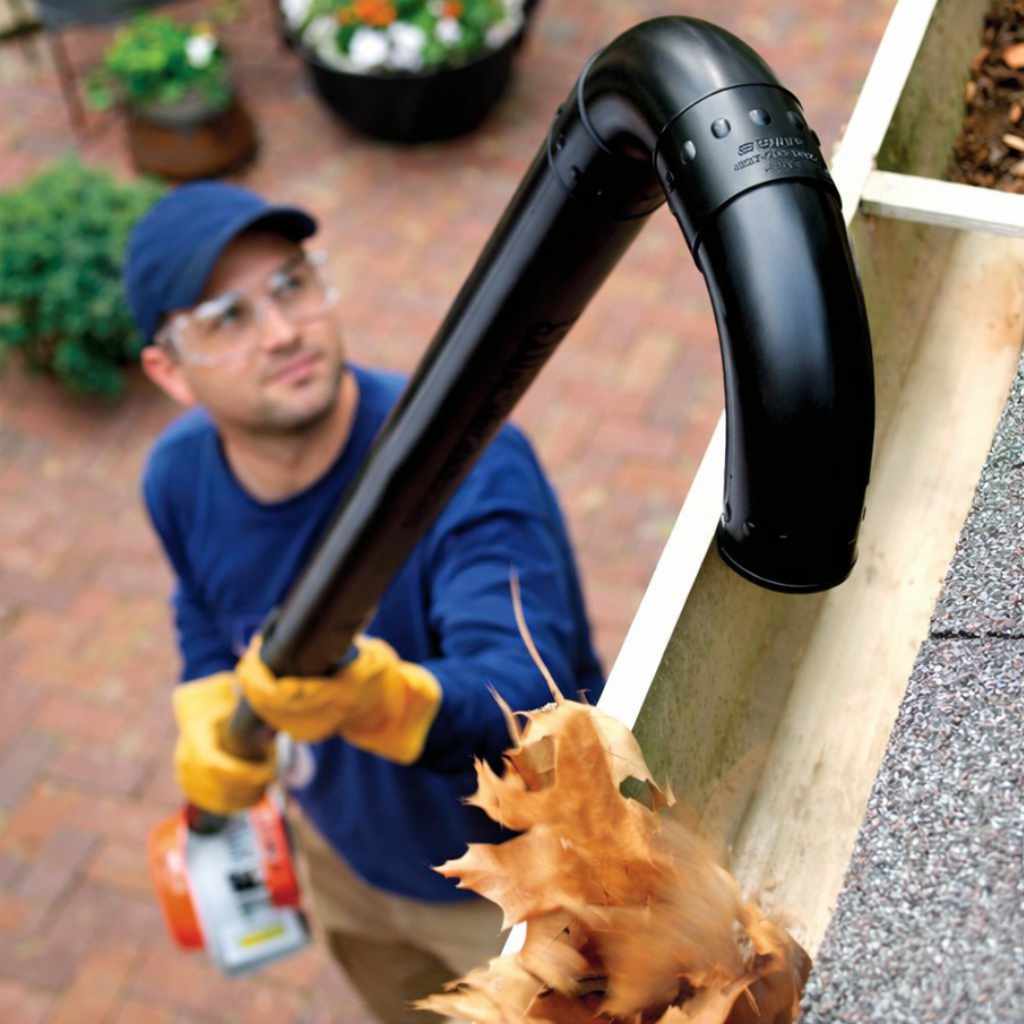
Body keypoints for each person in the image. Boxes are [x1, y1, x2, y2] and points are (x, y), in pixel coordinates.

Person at [125, 182, 605, 1023]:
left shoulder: (468, 461)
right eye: (228, 318)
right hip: (342, 865)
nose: (283, 332)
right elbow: (205, 603)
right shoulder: (179, 476)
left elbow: (529, 708)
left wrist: (382, 701)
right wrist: (206, 695)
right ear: (169, 371)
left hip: (512, 892)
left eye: (291, 285)